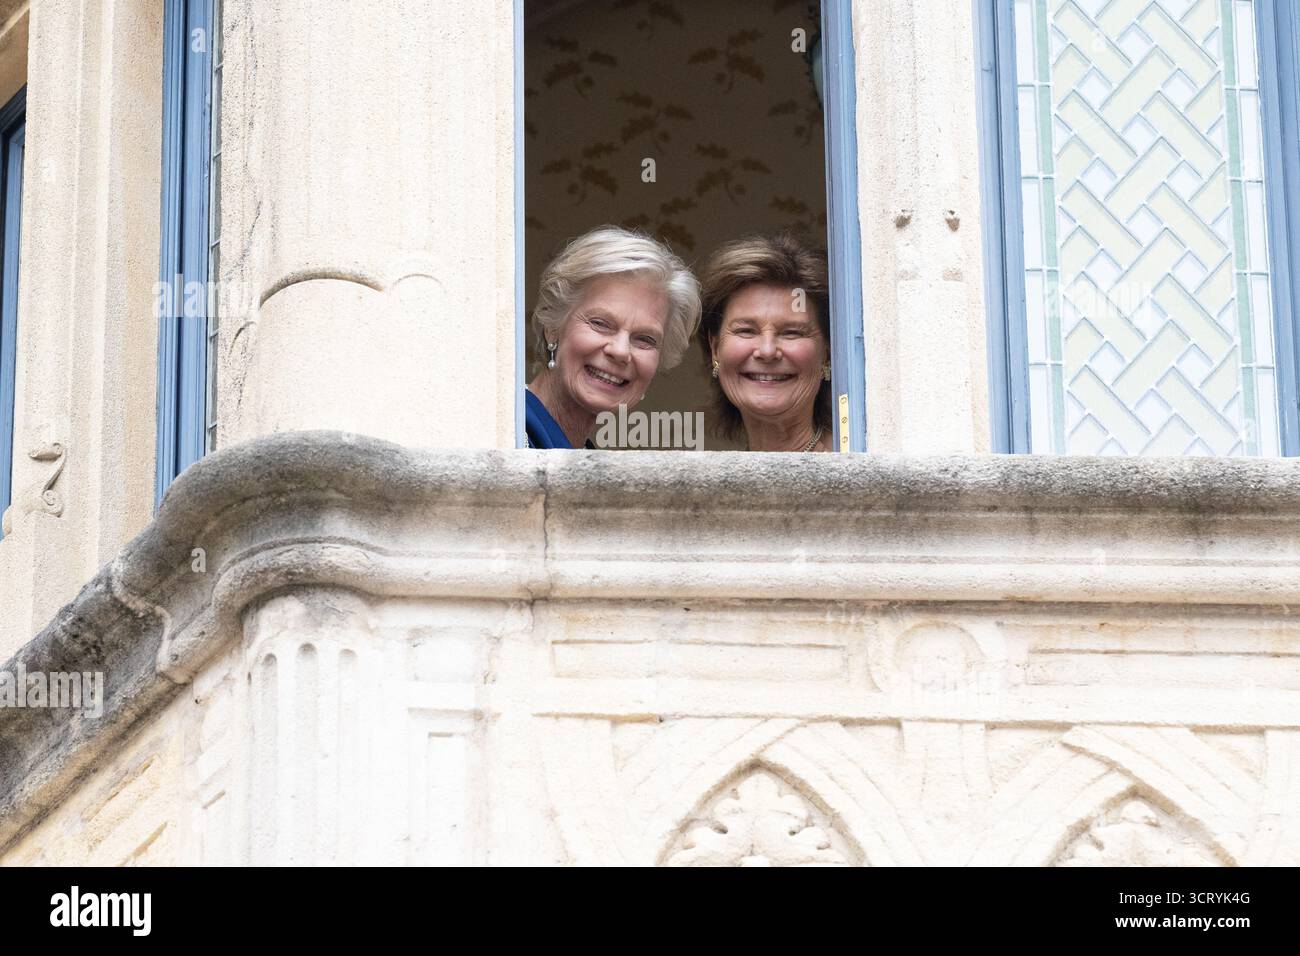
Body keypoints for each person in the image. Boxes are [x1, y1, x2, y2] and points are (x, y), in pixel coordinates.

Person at [526, 226, 701, 449]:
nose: (620, 351)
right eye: (600, 324)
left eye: (645, 339)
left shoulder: (584, 458)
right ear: (553, 326)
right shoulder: (503, 433)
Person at [697, 234, 832, 452]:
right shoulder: (714, 481)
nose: (767, 351)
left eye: (791, 333)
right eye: (746, 331)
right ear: (715, 350)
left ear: (827, 354)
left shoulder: (858, 461)